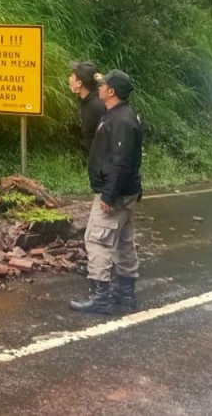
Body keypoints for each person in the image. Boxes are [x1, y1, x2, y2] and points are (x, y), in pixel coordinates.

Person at [69, 69, 143, 315]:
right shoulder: (119, 115)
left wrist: (109, 195)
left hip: (116, 193)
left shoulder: (121, 120)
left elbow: (121, 161)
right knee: (122, 241)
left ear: (111, 91)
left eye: (102, 85)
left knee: (97, 240)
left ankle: (100, 297)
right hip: (125, 191)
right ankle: (125, 294)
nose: (98, 88)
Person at [68, 61, 106, 160]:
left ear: (79, 83)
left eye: (72, 76)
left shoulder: (96, 106)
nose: (69, 78)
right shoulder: (87, 101)